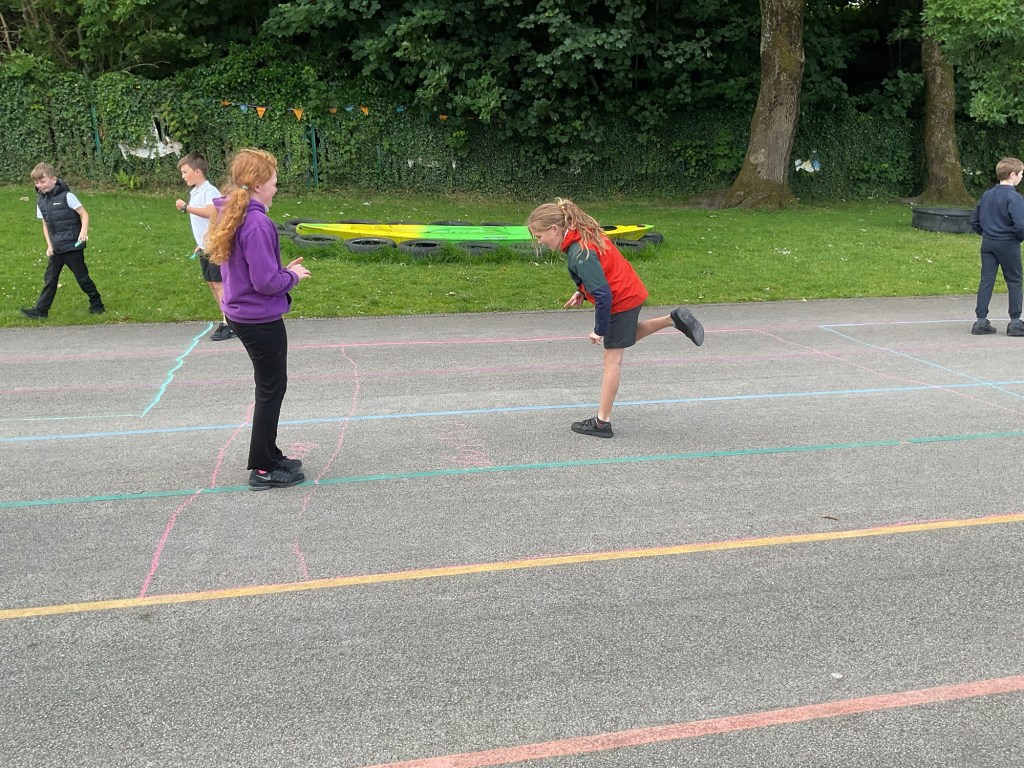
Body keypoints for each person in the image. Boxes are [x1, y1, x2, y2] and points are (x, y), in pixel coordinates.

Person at [527, 198, 704, 438]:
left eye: (540, 236)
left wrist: (599, 329)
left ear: (555, 229)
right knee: (623, 337)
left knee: (612, 359)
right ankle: (673, 319)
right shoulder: (585, 233)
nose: (540, 241)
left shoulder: (580, 251)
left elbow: (603, 294)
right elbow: (602, 272)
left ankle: (602, 422)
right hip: (629, 291)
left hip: (620, 300)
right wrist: (582, 291)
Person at [206, 148, 311, 490]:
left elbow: (253, 270)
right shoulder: (257, 222)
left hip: (243, 313)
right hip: (258, 318)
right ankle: (263, 468)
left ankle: (270, 454)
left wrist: (283, 271)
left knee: (271, 387)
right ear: (258, 185)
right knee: (271, 389)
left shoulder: (235, 214)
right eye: (274, 182)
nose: (276, 188)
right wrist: (292, 277)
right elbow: (265, 282)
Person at [20, 163, 104, 319]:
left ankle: (97, 304)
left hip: (72, 246)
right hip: (57, 248)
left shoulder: (67, 196)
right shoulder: (41, 201)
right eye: (36, 182)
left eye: (42, 181)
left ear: (53, 179)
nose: (39, 185)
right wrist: (49, 245)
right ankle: (41, 311)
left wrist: (83, 231)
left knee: (82, 278)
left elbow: (84, 214)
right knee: (50, 279)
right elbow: (45, 224)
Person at [175, 153, 234, 341]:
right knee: (212, 284)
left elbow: (212, 213)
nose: (183, 176)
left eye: (185, 172)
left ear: (197, 172)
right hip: (205, 246)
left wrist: (186, 208)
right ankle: (227, 318)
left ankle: (230, 323)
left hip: (216, 246)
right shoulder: (196, 192)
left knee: (219, 284)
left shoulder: (210, 191)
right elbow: (205, 224)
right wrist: (200, 243)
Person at [970, 157, 1024, 336]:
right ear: (1013, 174)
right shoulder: (1014, 197)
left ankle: (980, 321)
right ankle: (1015, 322)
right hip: (1008, 243)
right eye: (1021, 174)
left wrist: (986, 233)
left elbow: (974, 220)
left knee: (986, 280)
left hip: (988, 242)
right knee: (1014, 280)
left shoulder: (987, 195)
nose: (1021, 177)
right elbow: (1020, 225)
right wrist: (1018, 238)